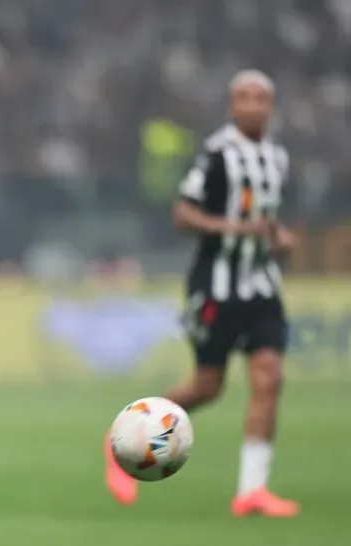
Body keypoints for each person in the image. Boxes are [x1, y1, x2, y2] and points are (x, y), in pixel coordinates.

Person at [104, 69, 299, 517]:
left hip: (263, 285)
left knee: (269, 378)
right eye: (244, 97)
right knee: (208, 386)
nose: (252, 105)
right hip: (216, 285)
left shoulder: (277, 157)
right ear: (233, 105)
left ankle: (252, 490)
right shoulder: (217, 155)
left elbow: (266, 218)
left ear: (270, 106)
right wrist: (234, 228)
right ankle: (126, 430)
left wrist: (279, 239)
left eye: (261, 98)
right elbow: (182, 215)